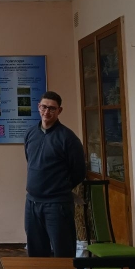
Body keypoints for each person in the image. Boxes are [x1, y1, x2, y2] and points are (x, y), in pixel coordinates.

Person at [24, 91, 86, 257]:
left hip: (57, 205)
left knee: (63, 252)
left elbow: (79, 171)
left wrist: (59, 187)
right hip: (32, 203)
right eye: (44, 107)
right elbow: (31, 161)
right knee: (36, 252)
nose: (47, 112)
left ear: (59, 110)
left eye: (52, 108)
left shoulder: (68, 138)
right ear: (38, 107)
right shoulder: (30, 133)